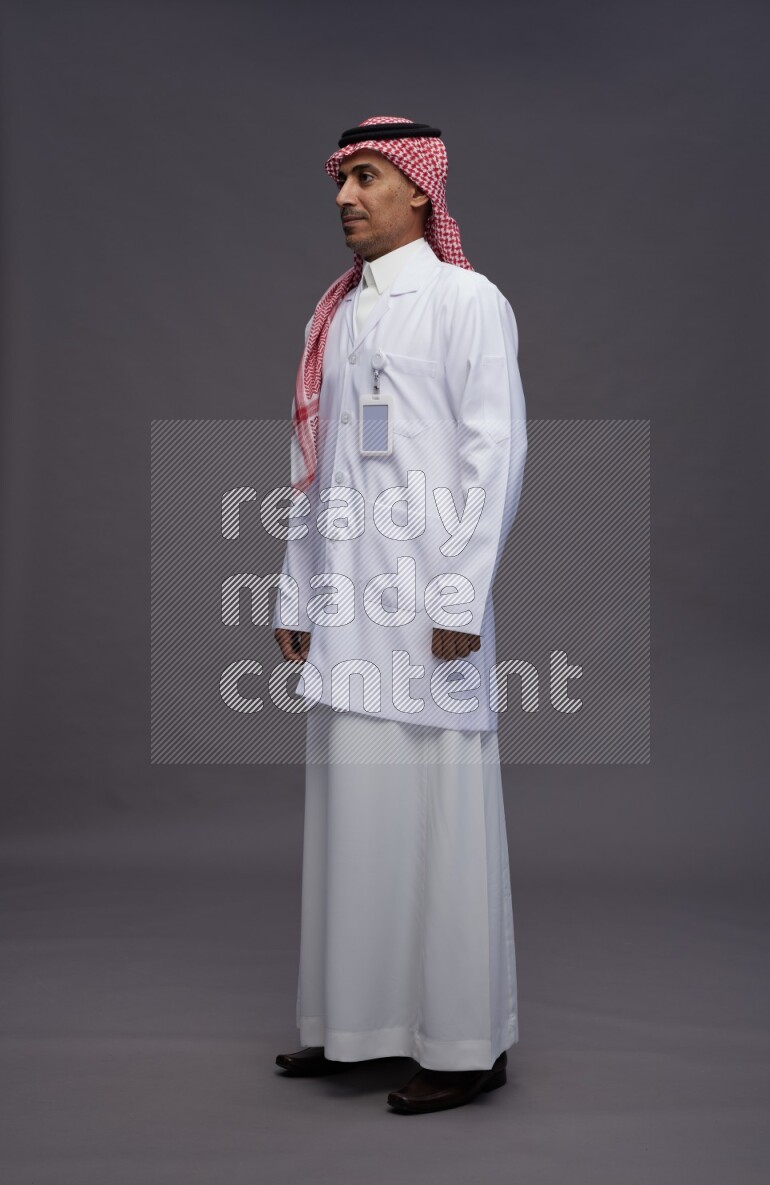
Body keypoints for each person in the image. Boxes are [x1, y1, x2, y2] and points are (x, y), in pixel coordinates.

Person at [272, 116, 528, 1114]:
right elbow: (312, 473)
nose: (345, 199)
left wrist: (460, 594)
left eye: (367, 179)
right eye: (340, 182)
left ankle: (466, 1045)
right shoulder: (331, 316)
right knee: (354, 818)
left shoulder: (466, 302)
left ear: (420, 192)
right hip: (348, 609)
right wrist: (296, 590)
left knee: (439, 817)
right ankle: (354, 1029)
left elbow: (494, 455)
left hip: (428, 613)